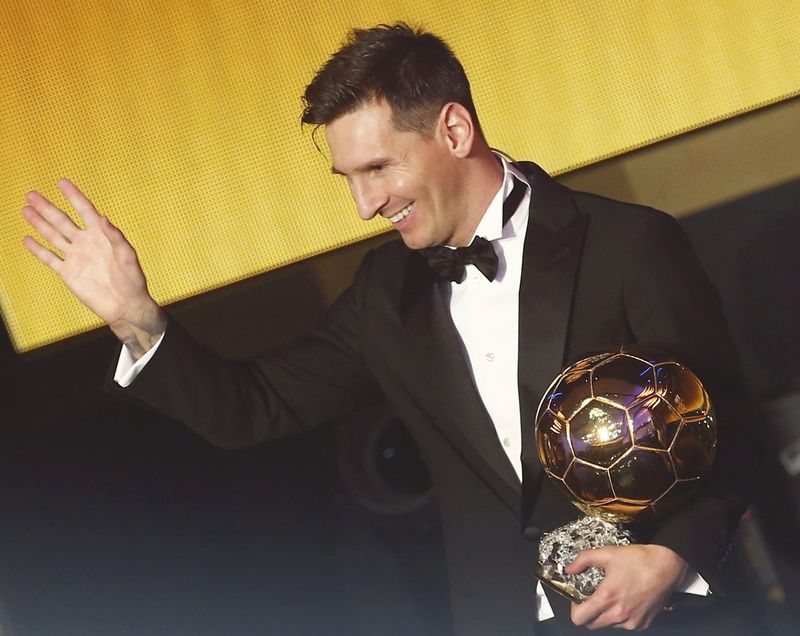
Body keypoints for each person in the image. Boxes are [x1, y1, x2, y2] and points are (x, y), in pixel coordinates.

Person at [22, 23, 755, 636]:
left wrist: (671, 559)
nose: (364, 205)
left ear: (454, 129)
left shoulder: (627, 245)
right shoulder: (386, 292)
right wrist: (134, 317)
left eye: (378, 168)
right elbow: (251, 408)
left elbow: (730, 425)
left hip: (670, 617)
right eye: (348, 178)